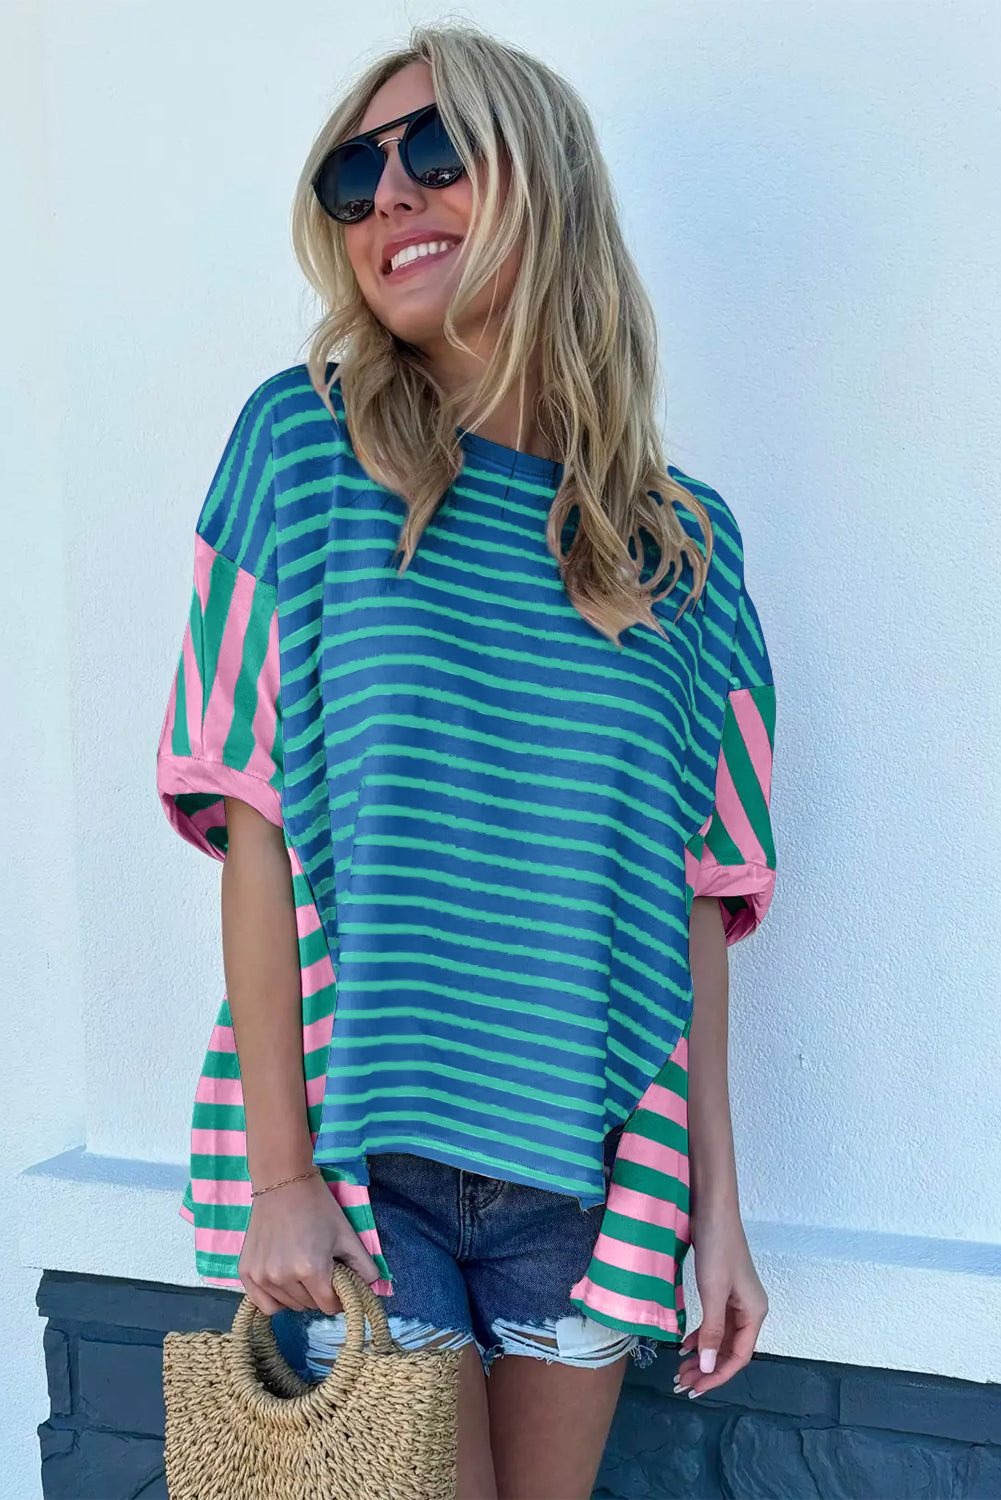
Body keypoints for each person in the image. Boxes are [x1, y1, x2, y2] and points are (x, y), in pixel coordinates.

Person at [157, 20, 777, 1500]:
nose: (388, 196)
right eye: (352, 175)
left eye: (435, 153)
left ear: (541, 183)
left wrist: (720, 1208)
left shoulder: (683, 548)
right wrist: (281, 1174)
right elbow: (252, 819)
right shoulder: (301, 450)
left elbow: (697, 895)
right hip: (359, 1159)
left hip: (589, 1173)